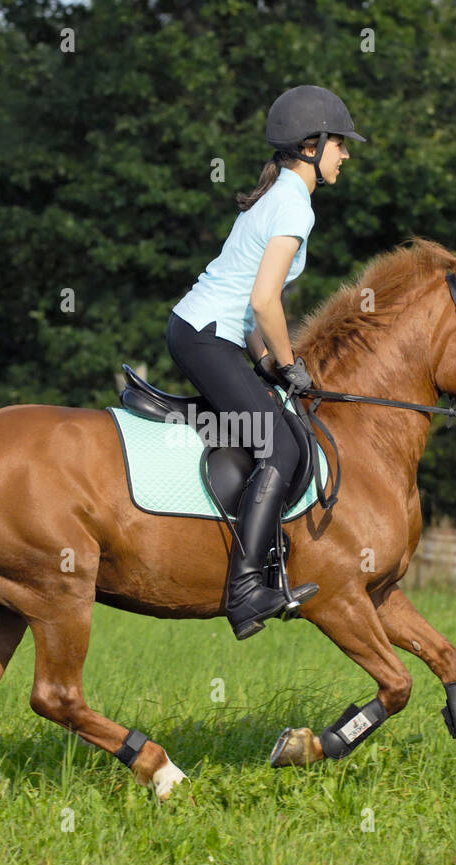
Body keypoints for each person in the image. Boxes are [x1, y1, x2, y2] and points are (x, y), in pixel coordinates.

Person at [165, 85, 365, 640]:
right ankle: (247, 588)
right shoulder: (294, 204)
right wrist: (289, 361)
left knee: (279, 430)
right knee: (278, 444)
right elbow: (263, 301)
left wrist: (268, 363)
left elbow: (249, 304)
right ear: (311, 145)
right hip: (206, 336)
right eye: (339, 145)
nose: (345, 155)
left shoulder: (279, 192)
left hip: (207, 332)